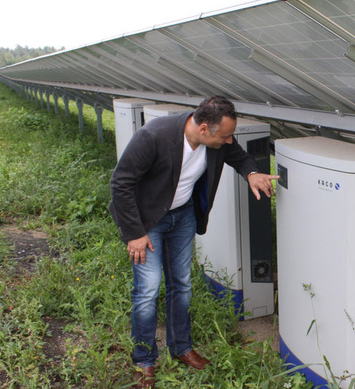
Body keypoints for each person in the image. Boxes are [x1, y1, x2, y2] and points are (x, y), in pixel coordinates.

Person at [109, 96, 278, 388]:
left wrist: (251, 173)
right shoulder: (154, 136)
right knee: (147, 292)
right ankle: (144, 361)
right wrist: (135, 233)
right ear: (203, 128)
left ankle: (181, 348)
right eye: (224, 136)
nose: (228, 142)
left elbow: (238, 156)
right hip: (148, 221)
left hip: (183, 217)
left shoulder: (217, 140)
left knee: (182, 285)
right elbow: (121, 182)